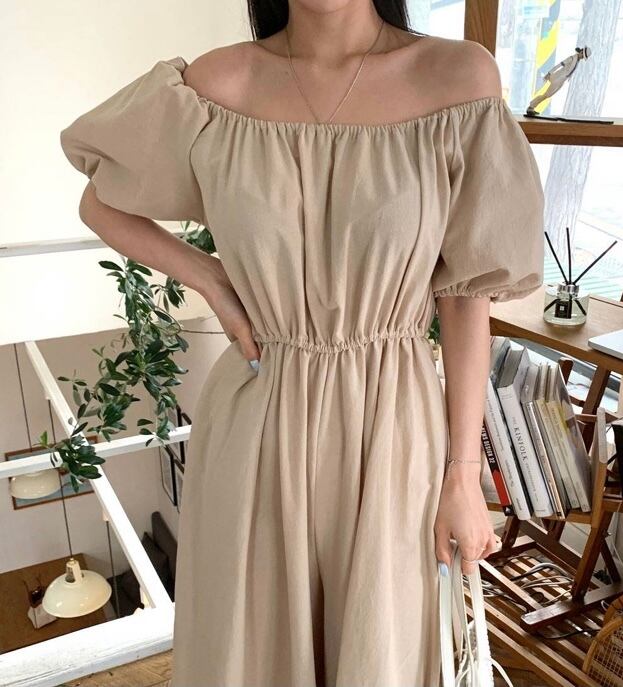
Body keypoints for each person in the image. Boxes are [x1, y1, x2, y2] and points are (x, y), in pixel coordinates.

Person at [59, 2, 545, 684]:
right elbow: (100, 199)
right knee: (252, 653)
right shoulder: (217, 85)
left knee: (380, 648)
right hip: (257, 421)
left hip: (392, 428)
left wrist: (463, 476)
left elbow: (465, 297)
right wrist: (211, 278)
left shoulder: (457, 78)